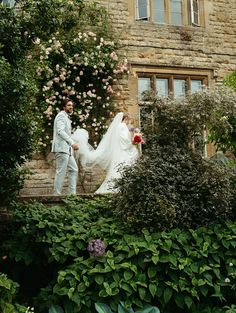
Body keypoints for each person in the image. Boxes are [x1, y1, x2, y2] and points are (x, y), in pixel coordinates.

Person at [72, 112, 138, 194]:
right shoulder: (123, 126)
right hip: (122, 153)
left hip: (119, 153)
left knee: (117, 171)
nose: (129, 122)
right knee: (122, 171)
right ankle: (119, 191)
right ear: (126, 119)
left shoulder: (117, 127)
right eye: (129, 120)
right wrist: (134, 141)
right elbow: (125, 140)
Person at [51, 98, 79, 195]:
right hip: (61, 148)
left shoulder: (66, 117)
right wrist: (72, 143)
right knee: (61, 171)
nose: (71, 107)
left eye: (71, 105)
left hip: (67, 150)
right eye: (68, 105)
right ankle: (56, 195)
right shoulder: (61, 116)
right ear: (64, 107)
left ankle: (72, 195)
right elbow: (60, 131)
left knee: (74, 169)